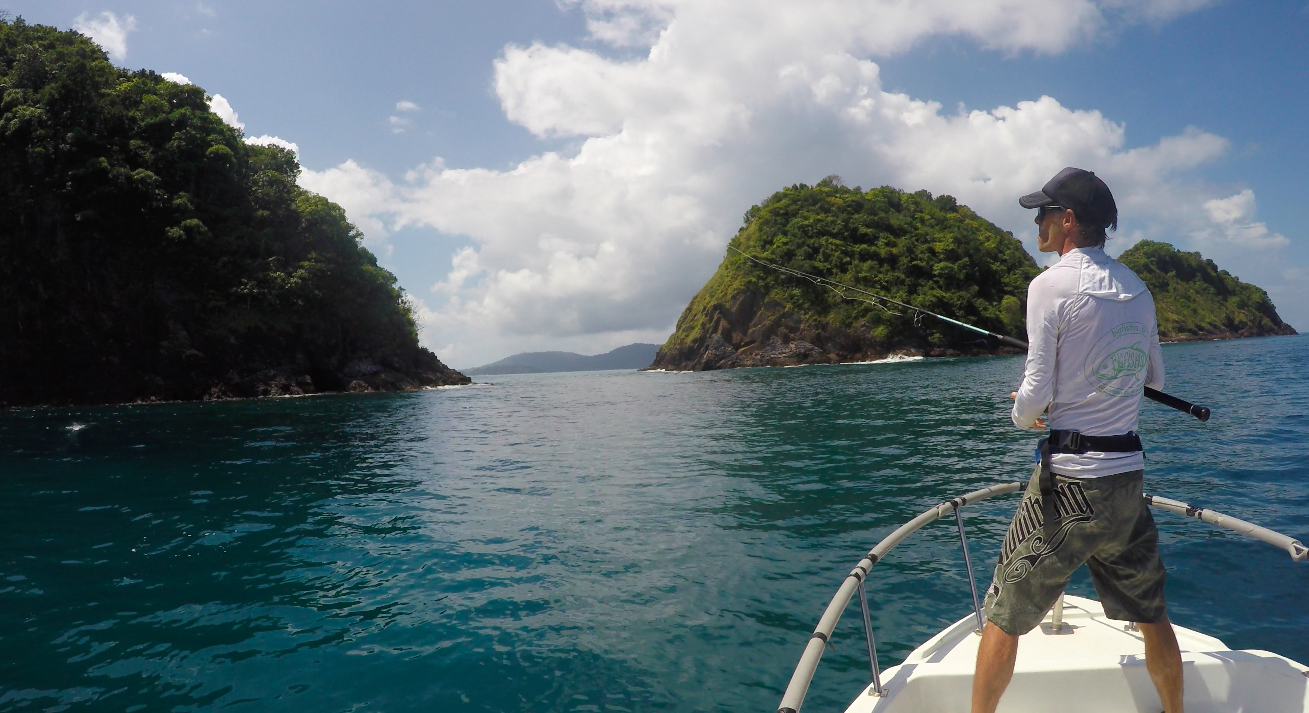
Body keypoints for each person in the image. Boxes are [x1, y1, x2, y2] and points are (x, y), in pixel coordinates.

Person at [970, 168, 1184, 713]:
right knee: (1151, 615)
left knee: (1004, 611)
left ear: (1068, 221)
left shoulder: (1049, 286)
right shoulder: (1139, 289)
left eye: (1043, 213)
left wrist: (1024, 413)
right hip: (1126, 482)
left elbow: (1035, 392)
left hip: (1068, 484)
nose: (1036, 223)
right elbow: (1153, 379)